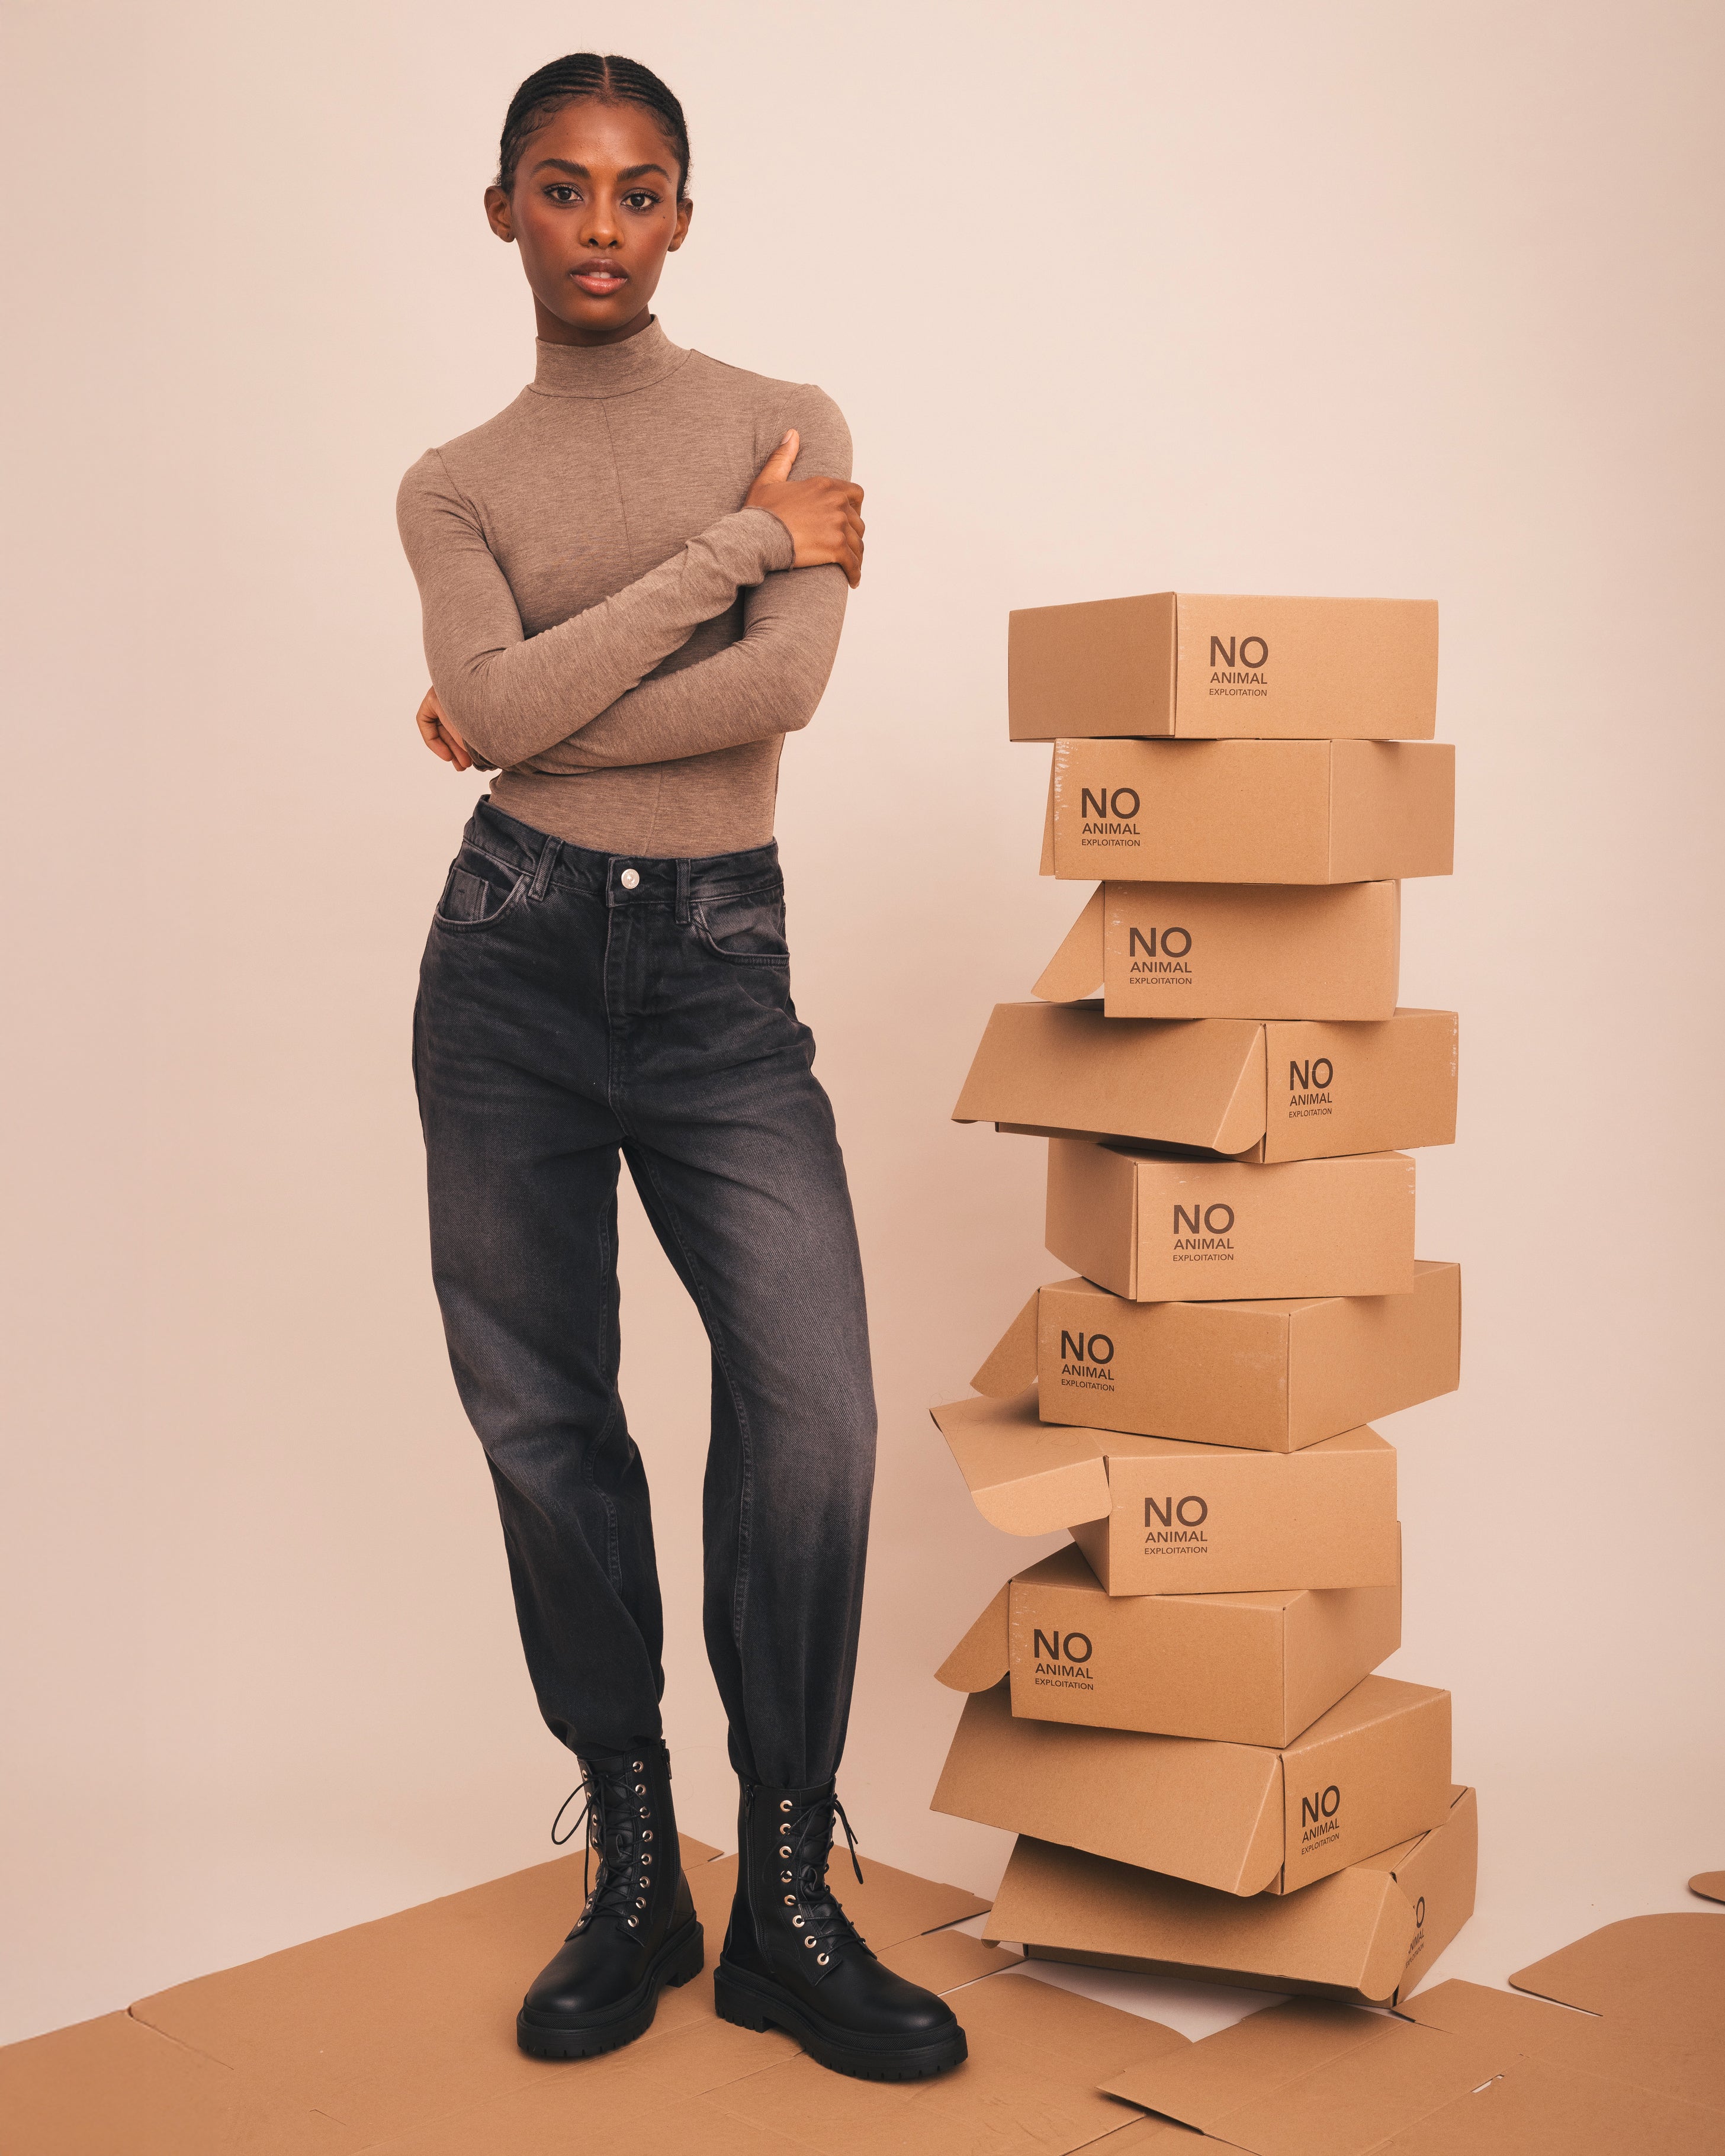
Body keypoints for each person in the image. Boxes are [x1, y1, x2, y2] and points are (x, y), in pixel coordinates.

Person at [396, 53, 966, 2084]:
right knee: (545, 1417)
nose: (605, 229)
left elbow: (777, 694)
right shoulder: (452, 481)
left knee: (809, 1400)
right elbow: (498, 698)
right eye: (564, 191)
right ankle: (637, 1860)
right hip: (510, 970)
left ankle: (786, 1894)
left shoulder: (782, 417)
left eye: (642, 193)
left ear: (686, 218)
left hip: (722, 973)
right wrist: (738, 549)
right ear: (504, 216)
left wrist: (527, 706)